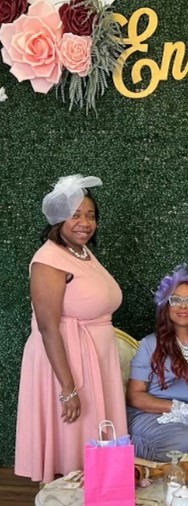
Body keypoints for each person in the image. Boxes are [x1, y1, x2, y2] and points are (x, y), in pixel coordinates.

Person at [15, 174, 127, 483]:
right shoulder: (48, 260)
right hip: (65, 361)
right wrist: (67, 389)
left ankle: (93, 494)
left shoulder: (82, 253)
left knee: (93, 437)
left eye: (90, 215)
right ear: (58, 218)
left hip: (93, 357)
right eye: (75, 214)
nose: (85, 223)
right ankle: (60, 495)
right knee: (69, 435)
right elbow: (48, 328)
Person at [127, 265, 188, 461]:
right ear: (166, 306)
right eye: (176, 300)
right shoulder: (150, 343)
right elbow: (135, 396)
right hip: (151, 414)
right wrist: (176, 408)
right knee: (180, 444)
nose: (183, 306)